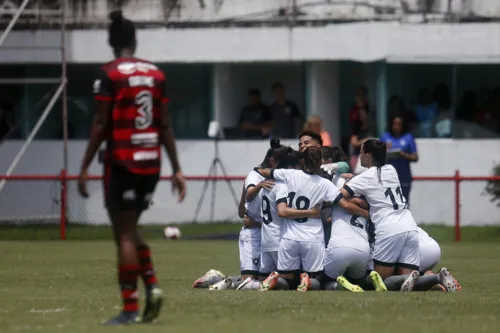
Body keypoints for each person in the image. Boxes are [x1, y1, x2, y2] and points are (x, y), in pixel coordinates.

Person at [77, 11, 186, 325]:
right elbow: (165, 125)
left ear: (111, 42)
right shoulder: (156, 75)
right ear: (134, 40)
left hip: (122, 162)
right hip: (151, 163)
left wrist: (84, 167)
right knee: (130, 228)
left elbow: (100, 125)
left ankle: (129, 308)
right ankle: (151, 285)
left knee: (123, 233)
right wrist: (177, 169)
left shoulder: (109, 75)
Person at [338, 139, 459, 292]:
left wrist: (349, 193)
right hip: (409, 224)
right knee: (406, 281)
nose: (359, 157)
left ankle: (434, 279)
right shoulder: (391, 169)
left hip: (388, 228)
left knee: (381, 282)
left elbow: (338, 196)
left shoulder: (364, 177)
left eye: (361, 153)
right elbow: (380, 197)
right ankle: (437, 278)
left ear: (368, 155)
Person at [257, 147, 370, 292]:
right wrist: (366, 214)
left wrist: (264, 177)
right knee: (316, 281)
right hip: (312, 237)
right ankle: (306, 280)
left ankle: (276, 279)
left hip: (289, 237)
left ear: (302, 161)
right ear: (319, 163)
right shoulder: (325, 184)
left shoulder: (290, 174)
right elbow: (345, 205)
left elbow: (265, 171)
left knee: (287, 279)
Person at [380, 114, 418, 205]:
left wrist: (403, 155)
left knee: (404, 203)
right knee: (388, 204)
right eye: (394, 124)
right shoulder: (385, 137)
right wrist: (384, 151)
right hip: (387, 177)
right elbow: (376, 156)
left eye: (399, 124)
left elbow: (415, 157)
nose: (396, 126)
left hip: (404, 176)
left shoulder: (408, 138)